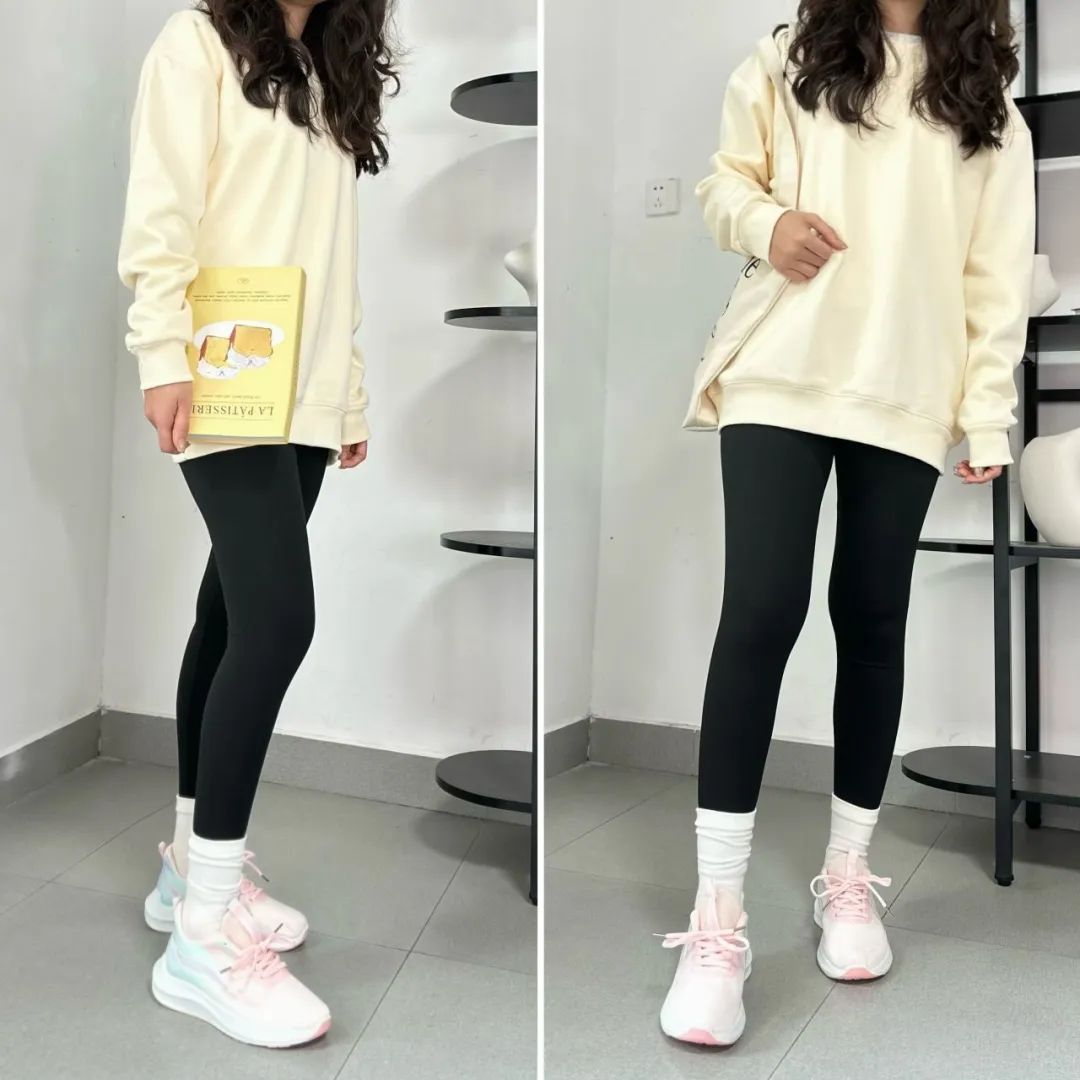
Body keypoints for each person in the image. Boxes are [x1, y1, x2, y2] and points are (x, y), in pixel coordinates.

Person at [661, 0, 1034, 1047]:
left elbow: (996, 275)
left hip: (907, 389)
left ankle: (847, 874)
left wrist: (987, 412)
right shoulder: (792, 57)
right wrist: (764, 226)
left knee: (872, 619)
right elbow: (725, 184)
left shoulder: (985, 99)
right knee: (761, 613)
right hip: (779, 371)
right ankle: (717, 918)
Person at [117, 0, 398, 1047]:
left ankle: (193, 868)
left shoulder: (326, 73)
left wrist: (346, 395)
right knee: (279, 624)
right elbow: (161, 211)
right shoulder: (195, 43)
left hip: (303, 393)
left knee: (232, 617)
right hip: (222, 372)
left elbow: (334, 260)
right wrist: (162, 355)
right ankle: (202, 936)